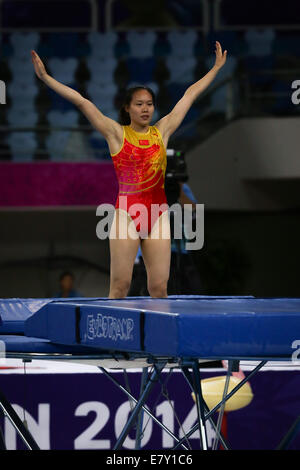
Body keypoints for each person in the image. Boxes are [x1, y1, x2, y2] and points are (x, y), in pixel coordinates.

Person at [31, 41, 227, 299]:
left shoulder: (162, 132)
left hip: (157, 215)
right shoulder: (116, 134)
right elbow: (82, 102)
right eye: (139, 104)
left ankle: (159, 338)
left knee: (159, 288)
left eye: (149, 104)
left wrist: (215, 70)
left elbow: (189, 96)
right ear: (127, 108)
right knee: (120, 287)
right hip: (127, 214)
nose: (146, 109)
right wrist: (45, 78)